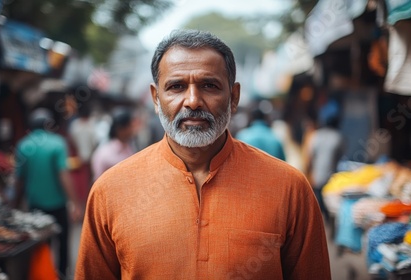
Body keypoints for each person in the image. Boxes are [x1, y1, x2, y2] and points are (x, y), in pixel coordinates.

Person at [76, 29, 331, 279]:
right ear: (156, 99)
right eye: (176, 86)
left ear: (234, 97)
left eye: (209, 85)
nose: (193, 101)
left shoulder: (289, 187)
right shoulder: (110, 191)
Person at [12, 108, 83, 279]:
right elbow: (64, 175)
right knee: (63, 241)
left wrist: (14, 204)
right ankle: (62, 273)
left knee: (39, 245)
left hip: (35, 205)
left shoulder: (23, 145)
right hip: (57, 204)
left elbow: (19, 180)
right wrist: (75, 202)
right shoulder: (58, 143)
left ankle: (42, 273)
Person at [305, 100, 344, 222]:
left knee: (319, 211)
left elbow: (309, 158)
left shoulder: (315, 136)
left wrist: (308, 176)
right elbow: (340, 158)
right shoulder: (338, 137)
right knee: (329, 213)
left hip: (317, 178)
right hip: (332, 180)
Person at [91, 108, 137, 181]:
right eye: (130, 126)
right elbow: (98, 181)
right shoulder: (104, 153)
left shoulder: (129, 147)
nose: (132, 130)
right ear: (120, 129)